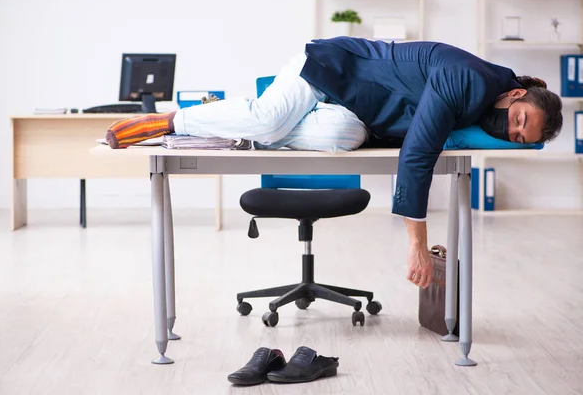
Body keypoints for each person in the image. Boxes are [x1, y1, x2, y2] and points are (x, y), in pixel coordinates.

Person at [106, 37, 563, 289]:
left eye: (521, 135)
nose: (512, 132)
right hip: (331, 71)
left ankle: (234, 133)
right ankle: (170, 121)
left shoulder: (492, 101)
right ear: (514, 94)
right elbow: (420, 150)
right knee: (269, 120)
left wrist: (527, 140)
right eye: (518, 120)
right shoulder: (468, 79)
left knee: (340, 138)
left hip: (353, 114)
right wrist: (416, 244)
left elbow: (499, 136)